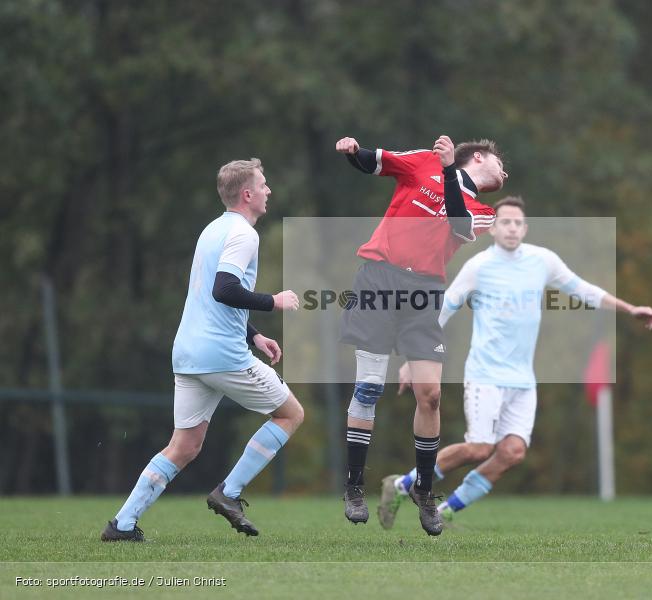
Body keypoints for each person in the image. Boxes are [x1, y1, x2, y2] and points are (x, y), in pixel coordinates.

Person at [378, 196, 652, 527]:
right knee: (479, 448)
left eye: (517, 223)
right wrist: (414, 360)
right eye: (505, 222)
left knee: (512, 452)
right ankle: (402, 485)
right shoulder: (479, 266)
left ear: (525, 228)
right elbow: (443, 311)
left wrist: (630, 309)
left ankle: (446, 511)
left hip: (523, 379)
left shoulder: (543, 261)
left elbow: (585, 290)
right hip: (485, 374)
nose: (511, 228)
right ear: (493, 228)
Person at [100, 158, 305, 541]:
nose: (268, 191)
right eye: (263, 185)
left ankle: (122, 525)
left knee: (184, 445)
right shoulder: (245, 234)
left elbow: (213, 301)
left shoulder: (213, 229)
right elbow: (224, 290)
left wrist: (254, 334)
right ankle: (228, 493)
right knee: (290, 414)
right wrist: (272, 301)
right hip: (220, 355)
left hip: (189, 352)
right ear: (247, 194)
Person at [334, 135, 506, 535]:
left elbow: (460, 228)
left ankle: (424, 491)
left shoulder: (484, 210)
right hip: (379, 278)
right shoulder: (424, 160)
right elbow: (375, 161)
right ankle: (354, 487)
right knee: (370, 388)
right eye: (502, 163)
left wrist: (448, 171)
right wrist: (351, 150)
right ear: (479, 156)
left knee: (430, 394)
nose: (506, 172)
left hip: (424, 292)